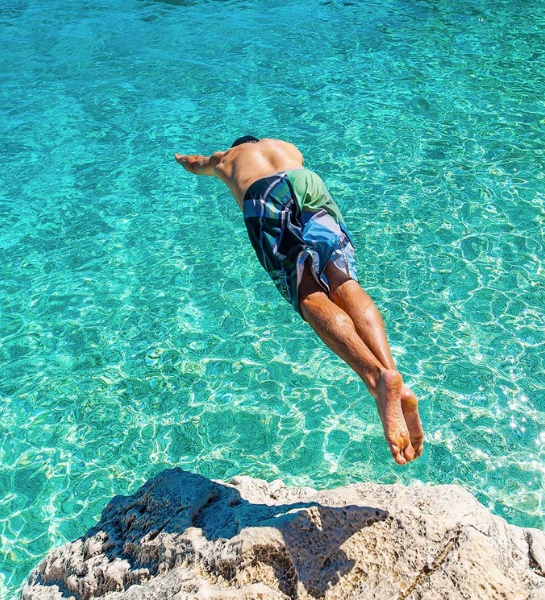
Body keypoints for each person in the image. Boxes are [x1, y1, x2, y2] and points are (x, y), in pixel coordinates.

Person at [175, 137, 423, 465]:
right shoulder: (286, 146)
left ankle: (375, 379)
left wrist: (183, 159)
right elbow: (295, 168)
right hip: (308, 183)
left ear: (240, 146)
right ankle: (390, 373)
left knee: (309, 295)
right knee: (344, 282)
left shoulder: (228, 157)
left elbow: (197, 163)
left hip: (265, 196)